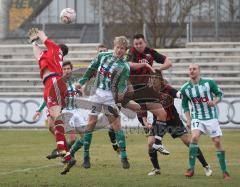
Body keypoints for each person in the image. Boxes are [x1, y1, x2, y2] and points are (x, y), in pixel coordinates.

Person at [76, 36, 133, 169]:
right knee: (91, 123)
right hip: (96, 93)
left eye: (122, 48)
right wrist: (82, 82)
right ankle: (86, 156)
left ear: (125, 50)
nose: (119, 50)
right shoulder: (102, 56)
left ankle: (124, 157)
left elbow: (121, 87)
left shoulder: (124, 67)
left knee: (117, 125)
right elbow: (91, 69)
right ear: (114, 46)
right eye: (118, 47)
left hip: (110, 97)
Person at [139, 73, 212, 176]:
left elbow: (179, 95)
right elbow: (142, 108)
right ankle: (156, 169)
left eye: (154, 79)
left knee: (188, 142)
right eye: (151, 79)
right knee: (150, 143)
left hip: (173, 120)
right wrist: (145, 121)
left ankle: (206, 166)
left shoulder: (167, 89)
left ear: (160, 80)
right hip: (159, 121)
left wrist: (188, 96)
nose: (152, 81)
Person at [27, 28, 75, 175]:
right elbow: (37, 52)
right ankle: (67, 155)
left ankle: (62, 149)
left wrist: (38, 32)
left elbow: (44, 37)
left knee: (56, 117)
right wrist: (33, 41)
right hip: (48, 85)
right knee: (52, 123)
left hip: (54, 82)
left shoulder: (54, 48)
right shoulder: (45, 56)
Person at [180, 63, 230, 179]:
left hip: (211, 117)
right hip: (197, 117)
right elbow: (185, 105)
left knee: (217, 142)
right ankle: (191, 168)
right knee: (194, 138)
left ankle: (224, 171)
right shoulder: (185, 88)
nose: (192, 71)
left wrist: (214, 102)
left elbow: (219, 94)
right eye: (190, 69)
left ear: (199, 71)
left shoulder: (209, 82)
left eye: (194, 69)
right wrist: (188, 119)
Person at [126, 33, 172, 154]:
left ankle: (157, 143)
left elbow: (168, 62)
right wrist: (145, 64)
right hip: (136, 89)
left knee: (162, 114)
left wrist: (159, 69)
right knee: (158, 114)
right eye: (136, 44)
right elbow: (128, 64)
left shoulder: (150, 52)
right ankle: (146, 125)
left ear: (144, 43)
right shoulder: (131, 52)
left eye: (140, 43)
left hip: (147, 90)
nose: (138, 46)